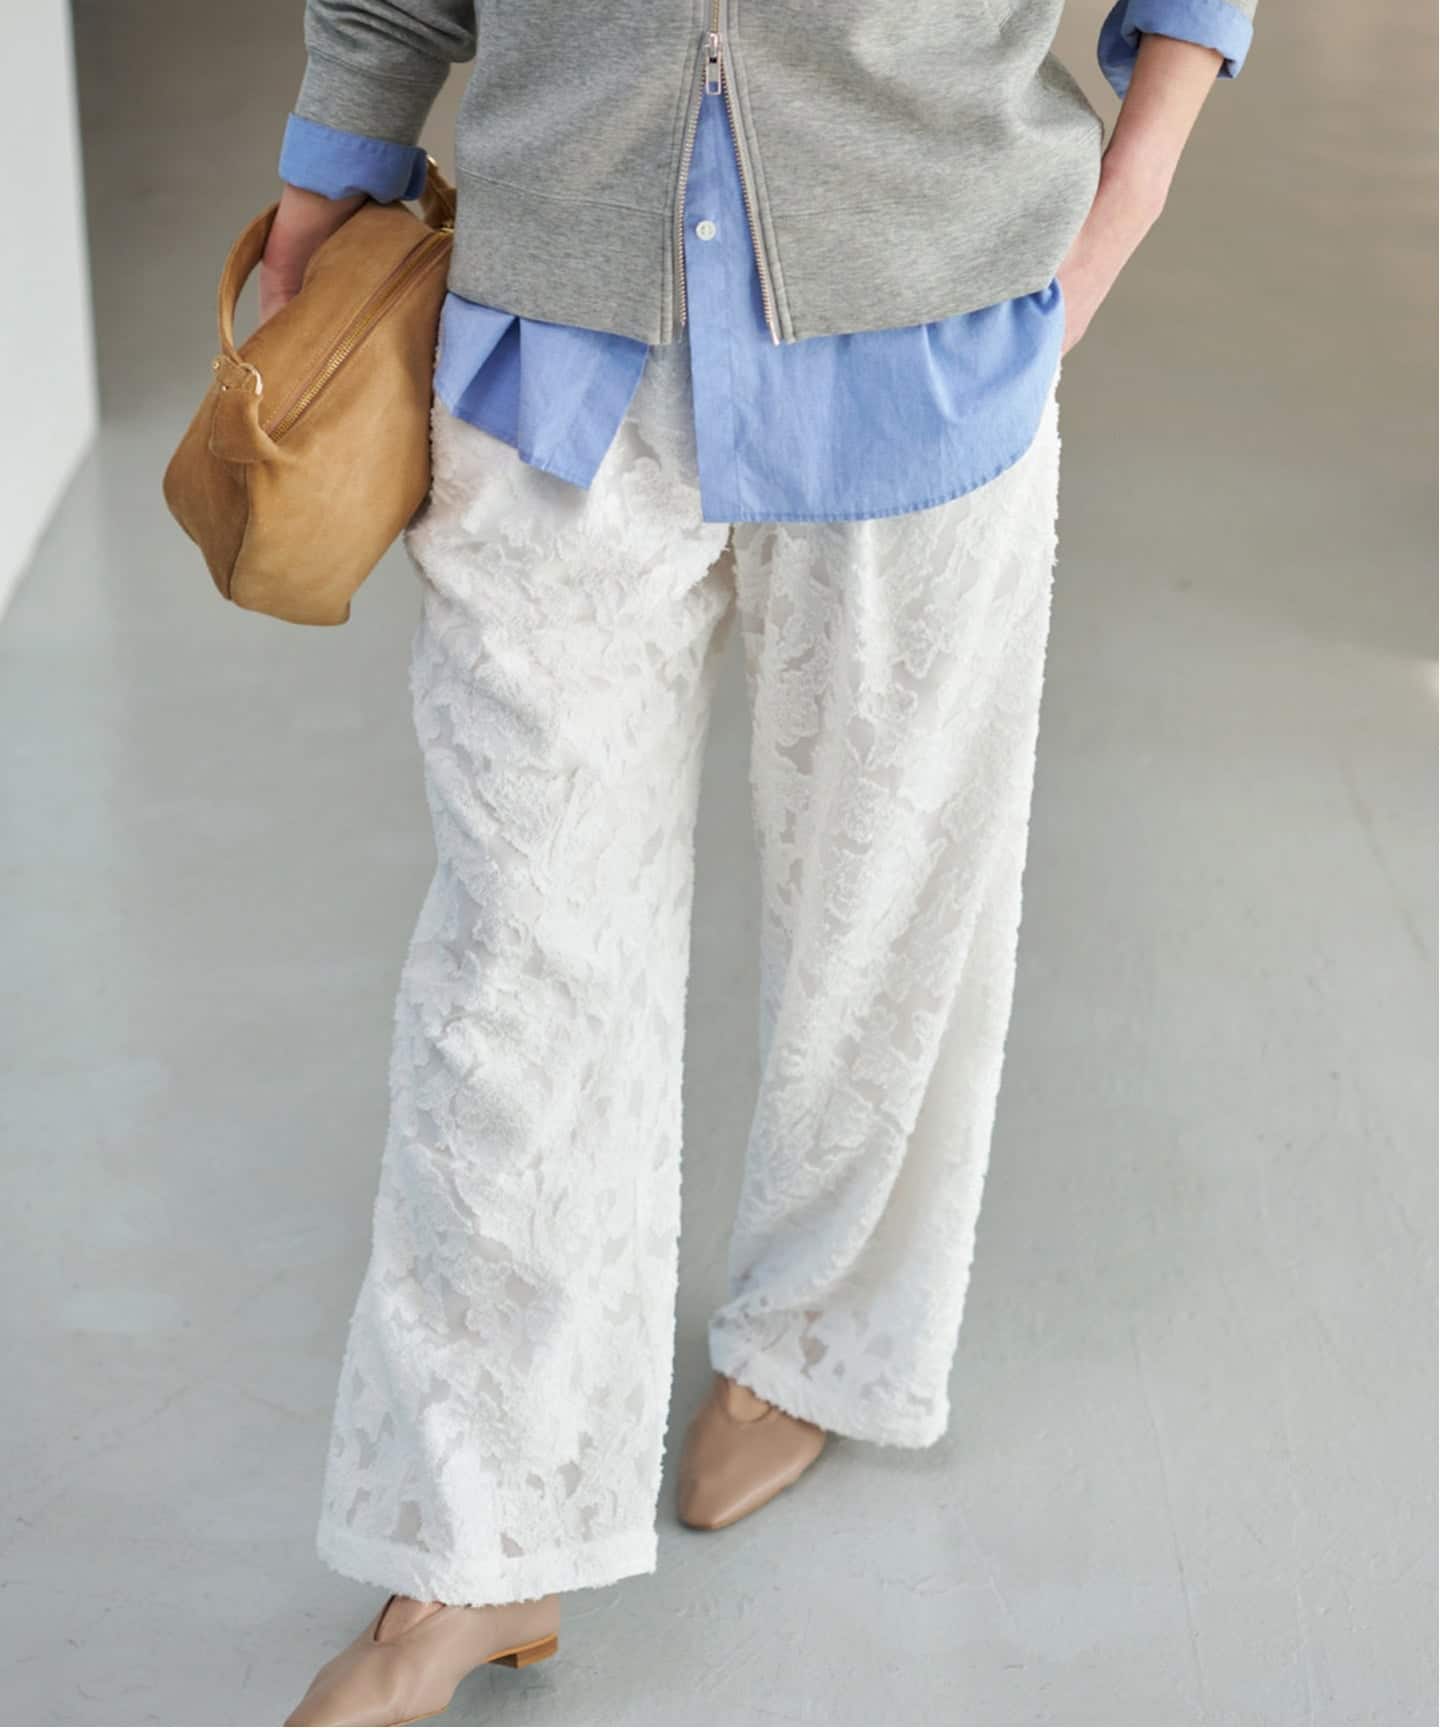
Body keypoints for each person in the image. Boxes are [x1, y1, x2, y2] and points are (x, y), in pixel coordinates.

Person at [263, 3, 1259, 1721]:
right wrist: (327, 185)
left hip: (926, 330)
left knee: (886, 912)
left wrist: (1128, 198)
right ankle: (476, 1542)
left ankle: (815, 1339)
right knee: (518, 958)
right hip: (547, 345)